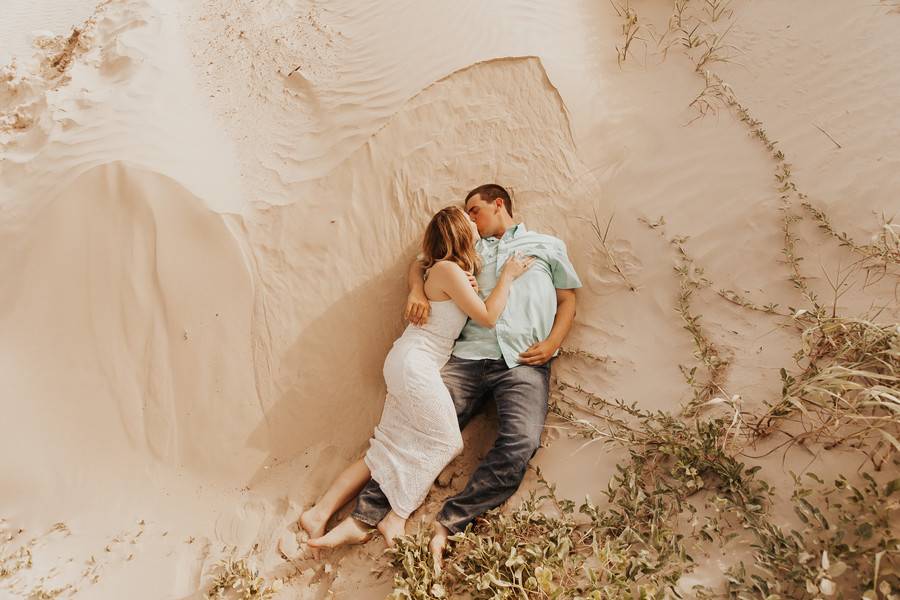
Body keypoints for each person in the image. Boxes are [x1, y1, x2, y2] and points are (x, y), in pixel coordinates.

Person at [333, 183, 582, 570]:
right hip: (466, 358)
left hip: (524, 362)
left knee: (521, 442)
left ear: (498, 205)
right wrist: (416, 290)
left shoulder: (546, 245)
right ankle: (366, 515)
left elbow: (568, 299)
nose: (470, 220)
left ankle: (451, 521)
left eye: (475, 211)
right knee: (416, 429)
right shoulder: (469, 246)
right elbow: (422, 263)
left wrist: (553, 342)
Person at [294, 205, 535, 549]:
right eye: (468, 219)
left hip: (411, 362)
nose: (473, 220)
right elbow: (487, 317)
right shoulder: (449, 270)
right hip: (415, 364)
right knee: (448, 442)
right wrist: (508, 277)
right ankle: (396, 517)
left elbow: (418, 263)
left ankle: (318, 514)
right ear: (459, 233)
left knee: (386, 446)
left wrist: (419, 287)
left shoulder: (446, 269)